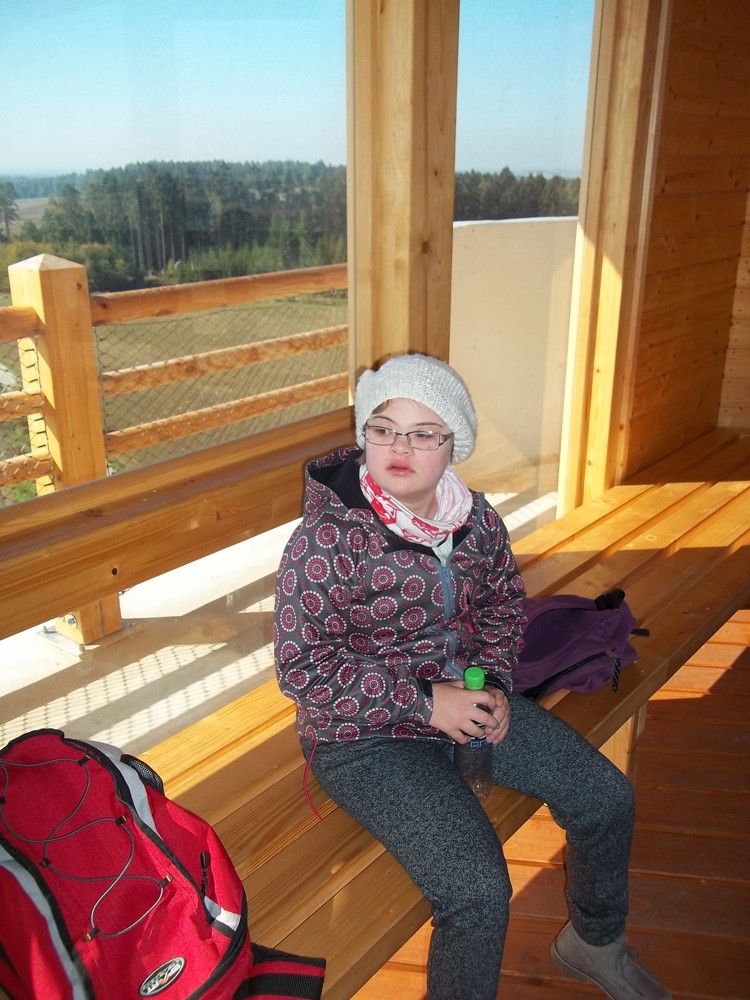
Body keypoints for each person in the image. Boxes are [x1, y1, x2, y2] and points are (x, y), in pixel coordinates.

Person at [274, 353, 671, 1000]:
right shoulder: (326, 541)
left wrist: (494, 686)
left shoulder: (475, 520)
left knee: (605, 797)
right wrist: (427, 704)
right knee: (479, 891)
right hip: (361, 739)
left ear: (454, 444)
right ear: (364, 434)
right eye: (383, 429)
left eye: (424, 433)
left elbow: (502, 606)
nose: (400, 447)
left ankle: (594, 940)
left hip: (470, 701)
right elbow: (303, 668)